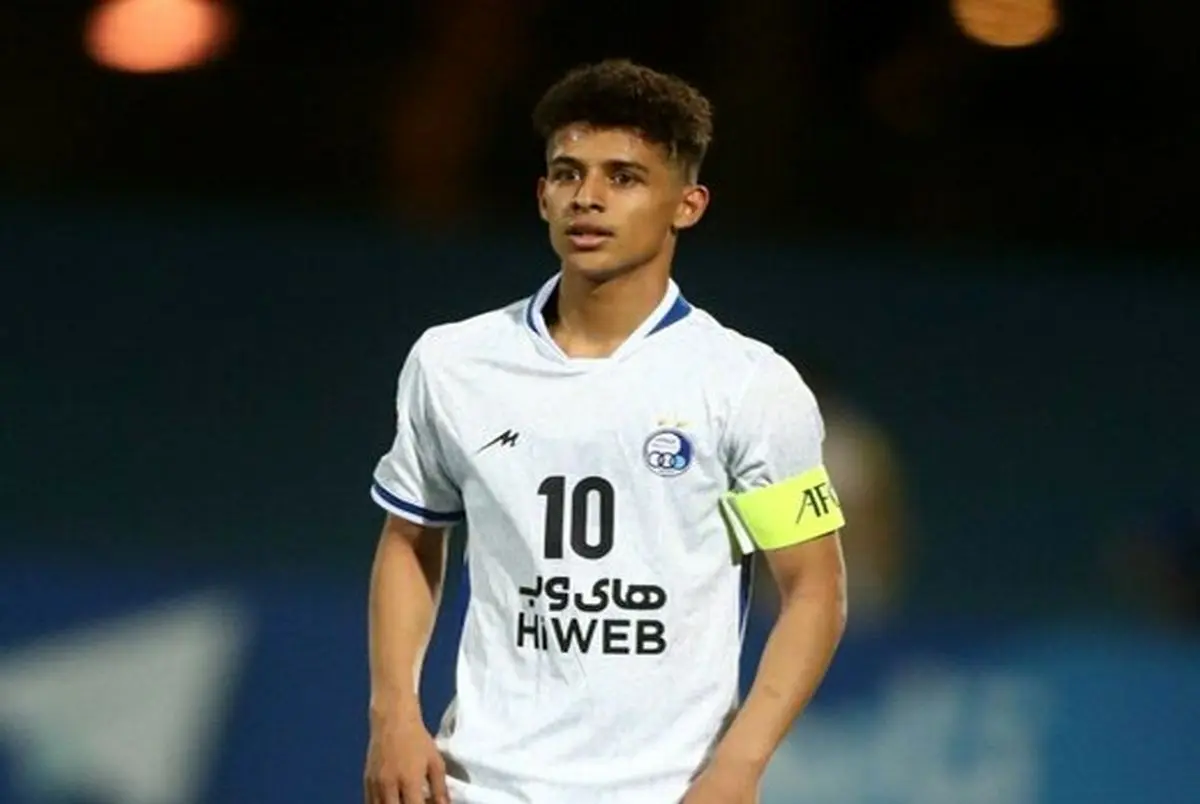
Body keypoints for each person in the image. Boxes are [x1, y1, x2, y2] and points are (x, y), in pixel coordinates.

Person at [363, 59, 848, 804]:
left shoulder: (747, 384)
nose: (587, 197)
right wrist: (394, 715)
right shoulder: (454, 362)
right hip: (478, 785)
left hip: (664, 791)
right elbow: (410, 537)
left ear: (687, 204)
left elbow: (814, 588)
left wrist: (739, 767)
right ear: (542, 195)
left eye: (624, 177)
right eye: (568, 174)